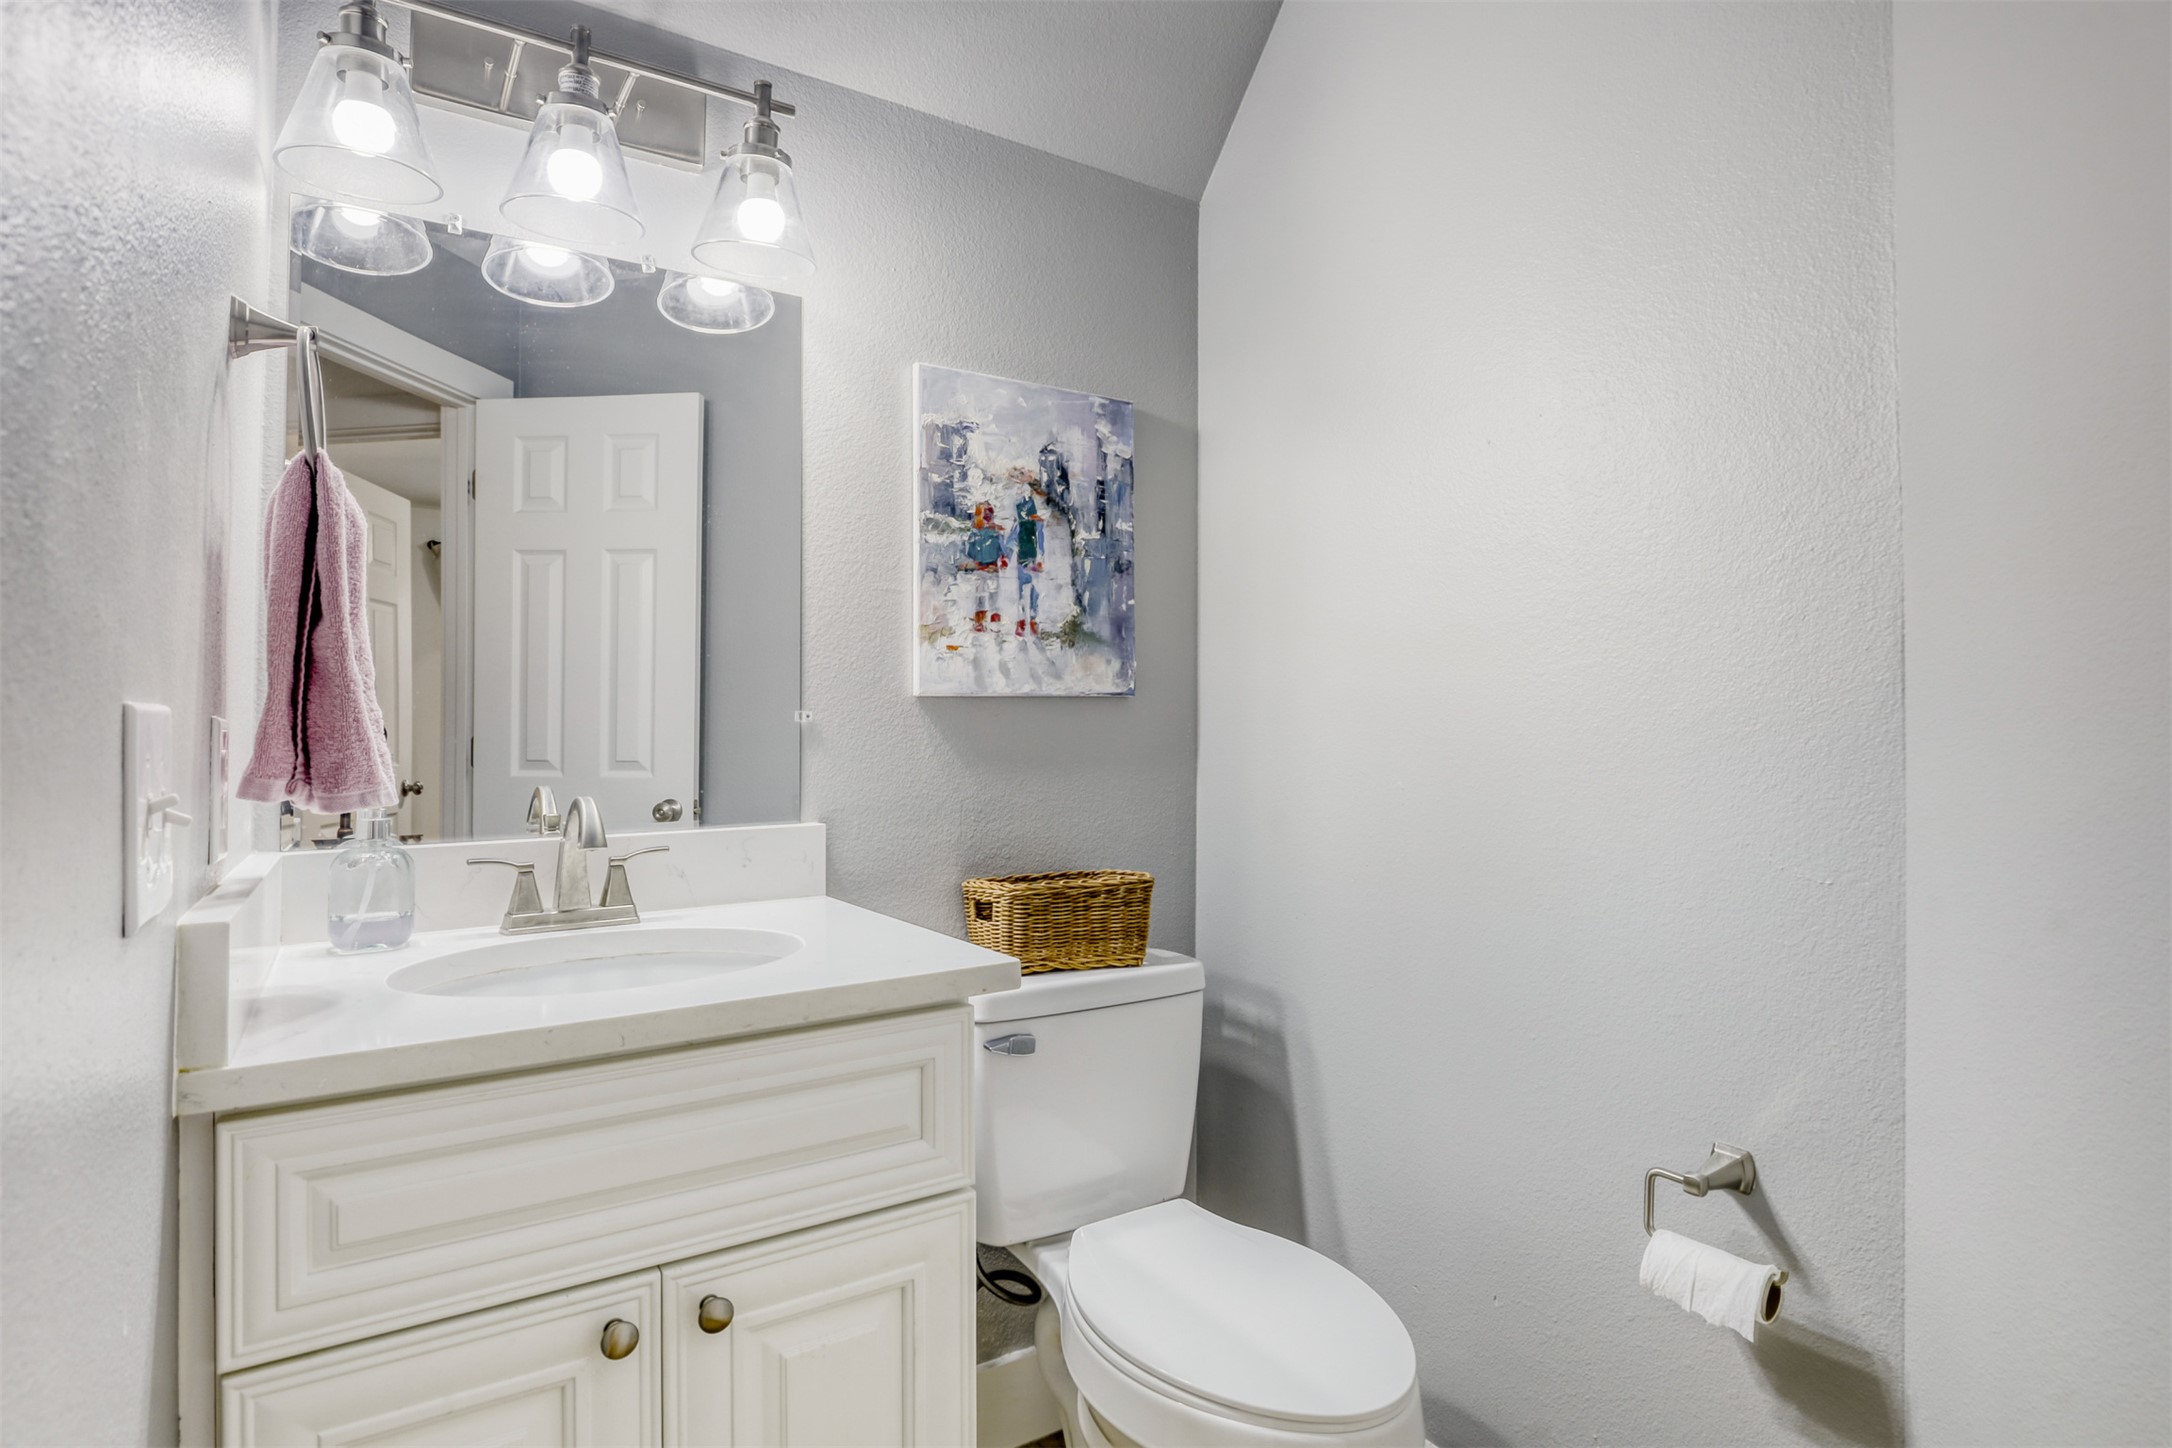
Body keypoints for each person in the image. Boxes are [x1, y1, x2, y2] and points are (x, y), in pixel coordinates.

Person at [962, 501, 1007, 632]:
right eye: (983, 513)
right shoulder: (974, 533)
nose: (987, 516)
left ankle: (993, 620)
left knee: (993, 593)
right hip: (979, 567)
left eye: (989, 513)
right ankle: (980, 621)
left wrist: (1003, 559)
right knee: (980, 595)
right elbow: (969, 551)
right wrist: (972, 563)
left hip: (992, 566)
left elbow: (1003, 548)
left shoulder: (995, 532)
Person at [1010, 493, 1046, 637]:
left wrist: (1040, 558)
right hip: (1023, 561)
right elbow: (1011, 541)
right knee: (1022, 591)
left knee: (1034, 591)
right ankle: (1021, 621)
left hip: (1033, 560)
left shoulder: (1037, 525)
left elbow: (1042, 542)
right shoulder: (1019, 525)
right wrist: (1007, 555)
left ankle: (1032, 619)